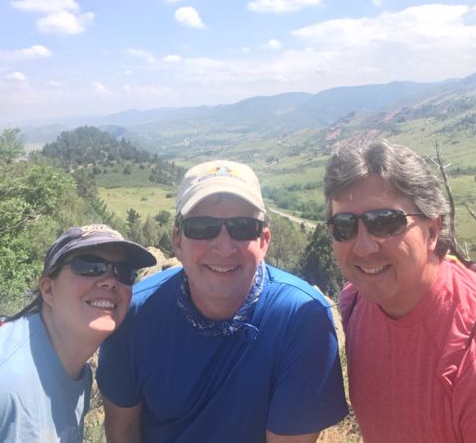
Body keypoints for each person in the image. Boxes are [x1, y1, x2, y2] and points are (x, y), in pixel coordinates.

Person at [97, 160, 348, 443]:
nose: (224, 248)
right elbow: (122, 431)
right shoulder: (135, 314)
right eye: (203, 227)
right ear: (177, 240)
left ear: (264, 241)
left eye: (242, 227)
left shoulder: (300, 319)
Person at [323, 138, 476, 442]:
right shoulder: (355, 303)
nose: (363, 247)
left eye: (384, 223)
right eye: (344, 225)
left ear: (432, 230)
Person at [0, 224, 156, 442]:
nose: (111, 281)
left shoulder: (76, 373)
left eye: (124, 272)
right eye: (90, 266)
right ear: (48, 290)